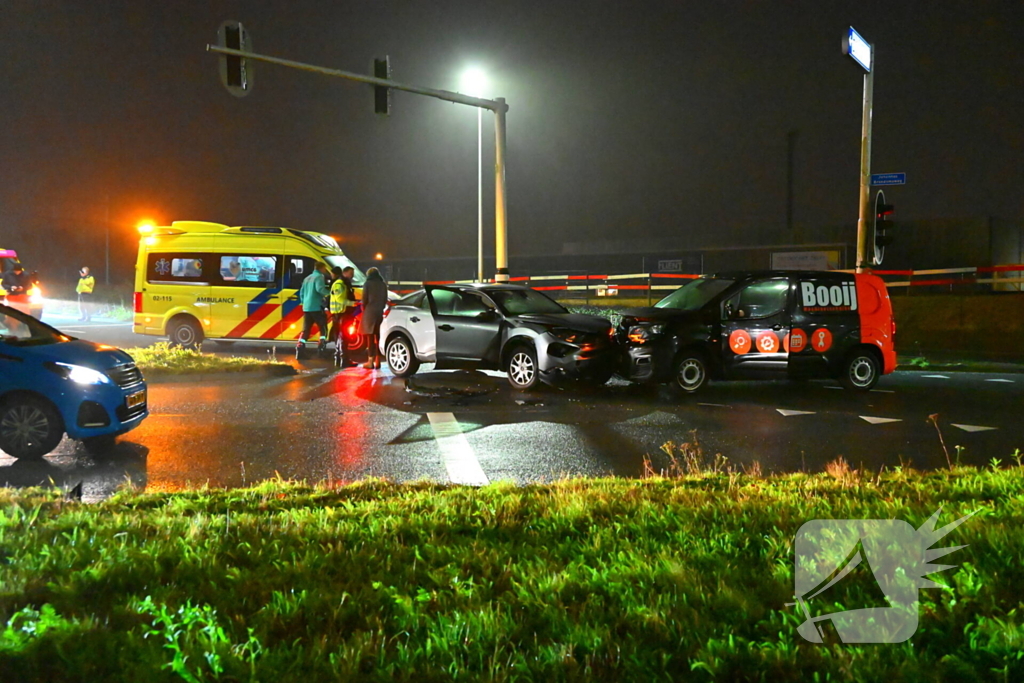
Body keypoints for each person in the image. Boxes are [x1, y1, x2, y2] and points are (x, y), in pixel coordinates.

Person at [296, 262, 330, 360]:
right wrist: (330, 293)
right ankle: (321, 350)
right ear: (321, 268)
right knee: (323, 328)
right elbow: (320, 289)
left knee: (306, 330)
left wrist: (304, 302)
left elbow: (301, 293)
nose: (325, 270)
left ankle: (300, 350)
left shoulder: (307, 278)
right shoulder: (319, 277)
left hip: (307, 307)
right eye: (324, 268)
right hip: (316, 307)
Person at [360, 267, 388, 369]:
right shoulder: (383, 284)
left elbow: (364, 300)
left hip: (370, 312)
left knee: (370, 338)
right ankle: (378, 360)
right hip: (380, 312)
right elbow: (385, 299)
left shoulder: (367, 284)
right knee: (379, 337)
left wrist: (364, 308)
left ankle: (370, 361)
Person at [329, 265, 357, 368]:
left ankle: (340, 359)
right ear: (344, 273)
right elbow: (340, 299)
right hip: (340, 314)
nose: (352, 276)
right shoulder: (340, 284)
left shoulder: (344, 283)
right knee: (343, 337)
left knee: (341, 337)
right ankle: (343, 360)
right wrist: (352, 303)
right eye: (351, 274)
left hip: (342, 314)